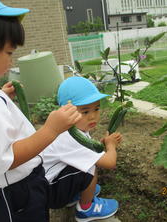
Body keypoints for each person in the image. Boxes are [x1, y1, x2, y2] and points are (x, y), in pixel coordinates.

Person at [0, 1, 81, 222]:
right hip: (18, 194)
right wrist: (51, 130)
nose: (11, 61)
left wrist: (1, 95)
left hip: (22, 185)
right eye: (9, 52)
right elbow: (7, 158)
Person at [43, 76, 123, 222]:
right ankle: (86, 209)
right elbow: (110, 163)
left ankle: (74, 193)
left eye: (97, 108)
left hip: (51, 184)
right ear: (65, 112)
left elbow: (88, 150)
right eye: (85, 112)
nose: (93, 116)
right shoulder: (70, 137)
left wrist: (101, 145)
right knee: (90, 168)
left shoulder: (71, 129)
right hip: (51, 194)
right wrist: (111, 146)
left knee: (88, 161)